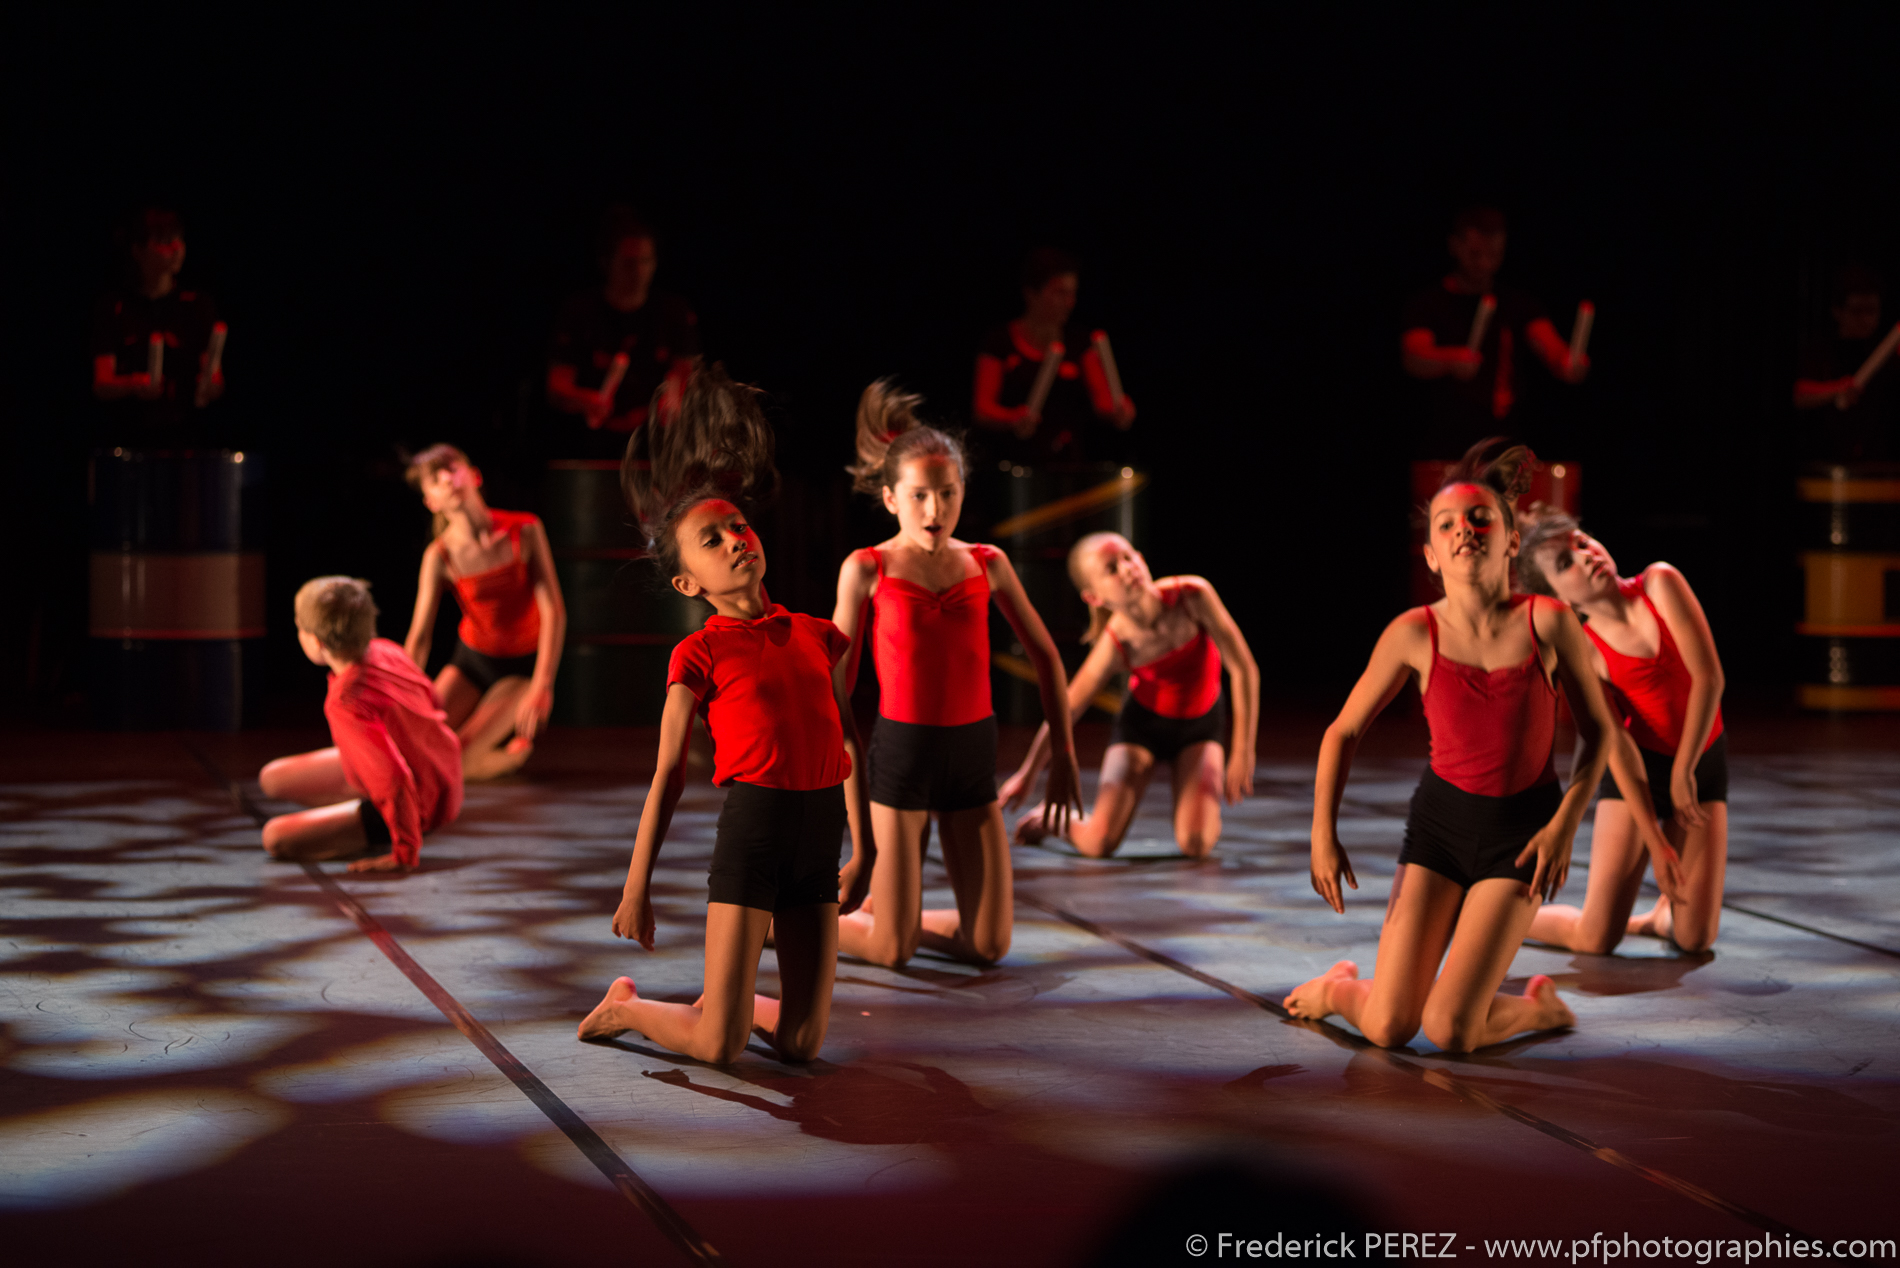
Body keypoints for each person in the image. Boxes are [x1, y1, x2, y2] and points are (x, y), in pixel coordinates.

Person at [1284, 439, 1620, 1052]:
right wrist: (1321, 835)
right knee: (1389, 1027)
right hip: (1440, 830)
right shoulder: (1414, 632)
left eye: (1480, 518)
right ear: (1432, 556)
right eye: (1447, 524)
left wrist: (1566, 825)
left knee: (1451, 1030)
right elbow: (1343, 731)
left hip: (1522, 837)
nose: (1464, 529)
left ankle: (1538, 1008)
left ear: (1511, 541)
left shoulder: (1548, 621)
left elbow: (1600, 732)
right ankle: (1337, 990)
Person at [577, 365, 871, 1064]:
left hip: (819, 835)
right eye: (713, 540)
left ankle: (724, 1003)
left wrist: (866, 848)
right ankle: (627, 1008)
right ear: (688, 583)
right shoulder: (697, 654)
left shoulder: (817, 634)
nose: (737, 539)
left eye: (738, 526)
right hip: (756, 837)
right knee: (720, 1049)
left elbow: (849, 744)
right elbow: (668, 777)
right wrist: (637, 887)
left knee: (801, 1044)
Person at [831, 380, 1081, 968]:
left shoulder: (987, 563)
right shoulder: (867, 567)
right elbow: (835, 694)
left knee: (988, 946)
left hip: (972, 762)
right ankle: (797, 921)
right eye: (919, 495)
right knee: (892, 950)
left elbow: (1047, 658)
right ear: (891, 498)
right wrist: (860, 839)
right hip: (902, 762)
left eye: (947, 493)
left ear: (963, 490)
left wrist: (1064, 755)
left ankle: (897, 913)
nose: (935, 510)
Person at [1516, 514, 1727, 953]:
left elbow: (1709, 679)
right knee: (1594, 939)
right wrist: (1656, 841)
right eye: (1565, 562)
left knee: (1695, 939)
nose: (1585, 556)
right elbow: (1615, 741)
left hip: (1699, 761)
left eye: (1582, 541)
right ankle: (1501, 915)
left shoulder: (1660, 582)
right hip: (1639, 771)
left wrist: (1685, 769)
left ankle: (1658, 919)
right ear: (1558, 597)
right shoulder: (1584, 649)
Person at [1002, 531, 1260, 858]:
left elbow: (1243, 668)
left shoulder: (1192, 595)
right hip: (1143, 727)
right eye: (1112, 569)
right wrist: (1028, 773)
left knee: (1197, 843)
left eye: (1128, 557)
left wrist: (1243, 750)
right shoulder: (1116, 641)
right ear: (1094, 597)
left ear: (1141, 557)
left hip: (1199, 726)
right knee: (1099, 844)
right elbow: (1067, 709)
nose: (1127, 569)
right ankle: (1055, 822)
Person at [258, 577, 463, 875]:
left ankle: (388, 825)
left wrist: (404, 852)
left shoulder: (347, 701)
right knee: (271, 778)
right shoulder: (386, 649)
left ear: (315, 642)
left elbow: (394, 778)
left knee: (275, 837)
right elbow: (433, 700)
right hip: (442, 771)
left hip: (422, 801)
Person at [401, 444, 566, 781]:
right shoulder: (439, 555)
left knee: (456, 759)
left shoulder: (525, 529)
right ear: (431, 502)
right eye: (435, 479)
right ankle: (490, 755)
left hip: (521, 666)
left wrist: (542, 686)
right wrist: (399, 696)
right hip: (472, 661)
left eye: (452, 468)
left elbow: (554, 612)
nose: (447, 479)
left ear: (474, 476)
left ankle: (507, 759)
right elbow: (419, 637)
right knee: (414, 748)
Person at [1400, 206, 1587, 458]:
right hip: (1443, 447)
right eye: (1475, 253)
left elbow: (1548, 343)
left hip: (1503, 448)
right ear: (1454, 245)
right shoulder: (1428, 304)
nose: (1485, 263)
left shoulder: (1517, 304)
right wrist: (1451, 359)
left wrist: (1566, 361)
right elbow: (1413, 354)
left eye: (1494, 254)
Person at [545, 207, 700, 459]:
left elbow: (685, 376)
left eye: (646, 261)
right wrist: (586, 400)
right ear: (607, 263)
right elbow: (557, 386)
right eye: (628, 263)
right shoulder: (579, 312)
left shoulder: (674, 312)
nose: (638, 271)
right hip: (590, 445)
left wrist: (673, 398)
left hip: (655, 445)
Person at [973, 248, 1136, 466]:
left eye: (1073, 293)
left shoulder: (1080, 342)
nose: (1070, 302)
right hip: (1012, 466)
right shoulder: (999, 341)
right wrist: (1012, 418)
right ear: (1031, 293)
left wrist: (1119, 411)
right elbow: (982, 409)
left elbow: (1103, 401)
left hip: (1068, 465)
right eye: (1060, 293)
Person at [91, 207, 227, 447]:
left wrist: (211, 385)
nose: (176, 249)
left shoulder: (197, 305)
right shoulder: (114, 307)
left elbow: (213, 372)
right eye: (164, 242)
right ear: (138, 251)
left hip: (187, 438)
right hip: (127, 439)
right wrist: (133, 384)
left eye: (179, 240)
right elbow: (102, 382)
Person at [1792, 266, 1896, 462]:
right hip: (1823, 461)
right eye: (1857, 311)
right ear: (1837, 312)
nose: (1866, 319)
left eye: (1872, 311)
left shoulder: (1887, 355)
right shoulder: (1819, 352)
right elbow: (1797, 393)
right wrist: (1836, 389)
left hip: (1876, 466)